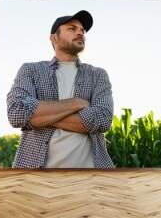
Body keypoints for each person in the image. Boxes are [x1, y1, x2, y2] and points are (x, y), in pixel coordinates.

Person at [7, 10, 115, 168]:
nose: (80, 32)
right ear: (53, 38)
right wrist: (77, 103)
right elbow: (16, 113)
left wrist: (37, 119)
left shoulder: (98, 74)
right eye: (72, 28)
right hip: (35, 170)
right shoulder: (31, 70)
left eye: (82, 31)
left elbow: (103, 120)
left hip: (91, 171)